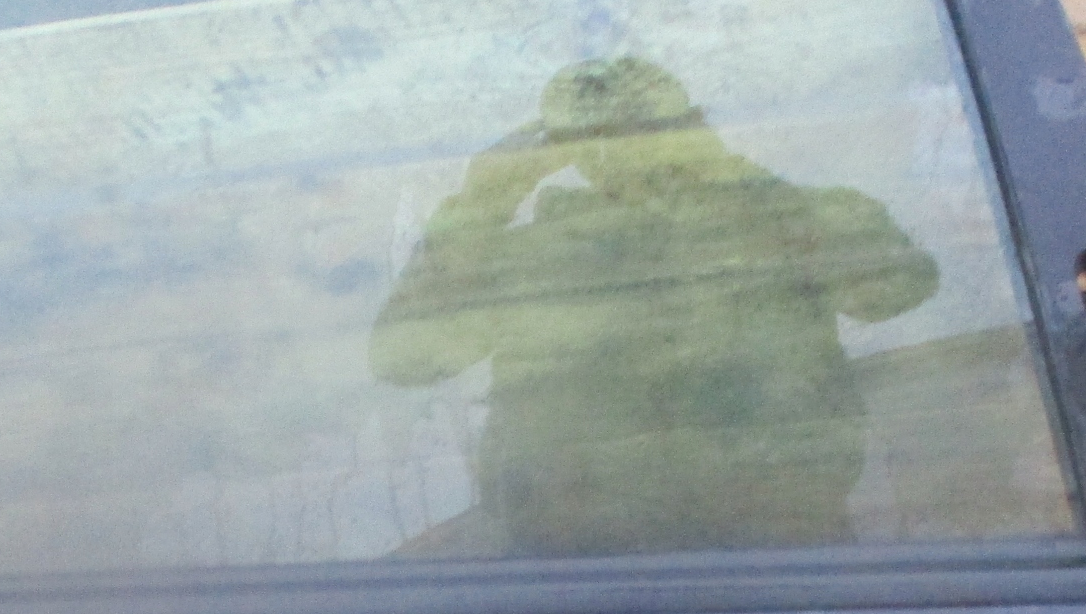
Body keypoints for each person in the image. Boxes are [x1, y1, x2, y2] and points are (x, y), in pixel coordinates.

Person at [372, 56, 939, 555]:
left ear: (695, 128)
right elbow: (407, 359)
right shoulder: (526, 257)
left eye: (648, 129)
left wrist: (726, 174)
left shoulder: (779, 226)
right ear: (560, 150)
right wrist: (484, 199)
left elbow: (896, 288)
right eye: (590, 135)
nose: (621, 149)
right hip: (566, 566)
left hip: (782, 552)